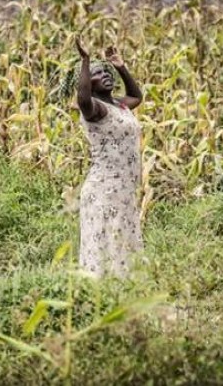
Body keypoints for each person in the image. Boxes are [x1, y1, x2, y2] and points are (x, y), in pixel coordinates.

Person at [74, 37, 144, 277]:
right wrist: (85, 61)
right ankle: (101, 301)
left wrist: (120, 66)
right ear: (88, 84)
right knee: (104, 247)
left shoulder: (119, 105)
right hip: (104, 190)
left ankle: (121, 295)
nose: (105, 74)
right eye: (97, 73)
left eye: (107, 72)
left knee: (121, 244)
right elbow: (82, 99)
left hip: (123, 189)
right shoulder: (95, 109)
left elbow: (137, 96)